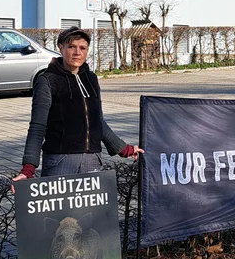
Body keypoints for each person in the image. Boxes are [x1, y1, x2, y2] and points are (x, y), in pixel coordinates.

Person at [13, 27, 142, 183]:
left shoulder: (91, 79)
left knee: (91, 209)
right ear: (60, 47)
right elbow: (38, 126)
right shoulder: (47, 81)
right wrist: (28, 168)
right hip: (60, 162)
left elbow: (97, 121)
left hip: (93, 160)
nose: (77, 52)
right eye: (71, 46)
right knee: (60, 208)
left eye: (82, 48)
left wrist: (124, 149)